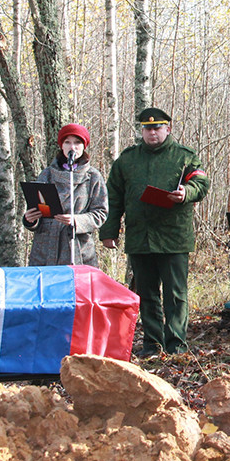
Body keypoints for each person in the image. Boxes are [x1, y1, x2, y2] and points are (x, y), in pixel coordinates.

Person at [100, 108, 210, 357]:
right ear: (142, 131)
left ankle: (176, 344)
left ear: (167, 129)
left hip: (173, 237)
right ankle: (152, 343)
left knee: (175, 295)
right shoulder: (127, 160)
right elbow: (113, 197)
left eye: (158, 128)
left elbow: (201, 183)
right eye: (148, 128)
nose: (152, 132)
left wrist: (186, 193)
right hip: (140, 237)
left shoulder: (184, 156)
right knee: (146, 293)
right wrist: (110, 231)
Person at [24, 124, 108, 267]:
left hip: (78, 246)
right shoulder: (47, 174)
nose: (72, 147)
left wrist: (76, 220)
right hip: (47, 247)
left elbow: (101, 213)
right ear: (61, 146)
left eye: (77, 143)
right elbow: (37, 207)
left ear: (84, 146)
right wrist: (30, 220)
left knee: (78, 288)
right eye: (67, 142)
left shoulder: (93, 177)